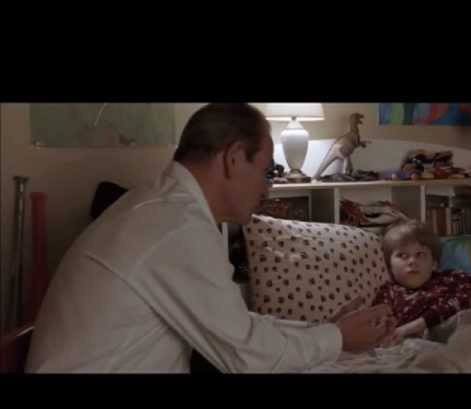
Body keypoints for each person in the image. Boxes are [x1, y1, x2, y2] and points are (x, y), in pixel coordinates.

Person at [26, 103, 395, 373]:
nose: (267, 188)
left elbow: (234, 326)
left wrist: (325, 330)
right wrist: (337, 338)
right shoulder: (174, 226)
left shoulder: (164, 207)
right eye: (265, 171)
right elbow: (244, 355)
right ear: (234, 158)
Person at [372, 219, 471, 346]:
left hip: (469, 333)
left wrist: (416, 325)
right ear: (390, 267)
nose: (412, 261)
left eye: (420, 254)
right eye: (402, 255)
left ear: (434, 264)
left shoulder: (452, 278)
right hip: (420, 346)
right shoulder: (388, 293)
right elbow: (377, 328)